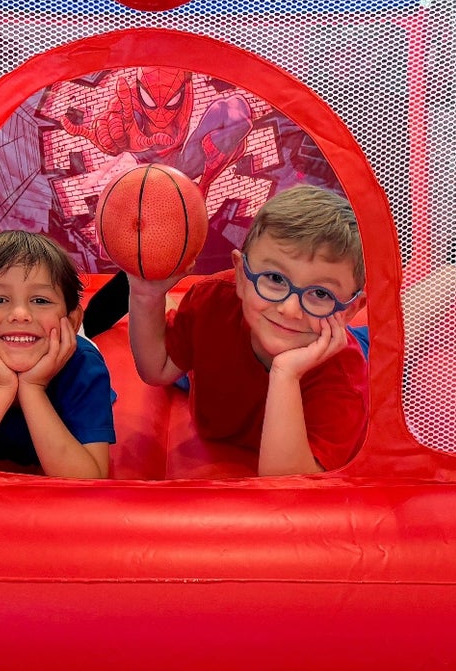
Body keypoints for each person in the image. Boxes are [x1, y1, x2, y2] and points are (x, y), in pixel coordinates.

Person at [126, 185, 371, 476]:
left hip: (327, 343)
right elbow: (158, 370)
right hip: (255, 338)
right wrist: (145, 296)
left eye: (320, 293)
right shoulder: (214, 302)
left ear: (350, 310)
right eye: (275, 278)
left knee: (387, 343)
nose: (290, 309)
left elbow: (288, 486)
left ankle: (423, 292)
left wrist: (286, 374)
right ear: (241, 277)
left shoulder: (343, 379)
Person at [0, 230, 115, 479]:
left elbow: (89, 480)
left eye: (40, 300)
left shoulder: (84, 367)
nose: (20, 314)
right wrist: (0, 388)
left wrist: (32, 387)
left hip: (62, 345)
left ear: (71, 322)